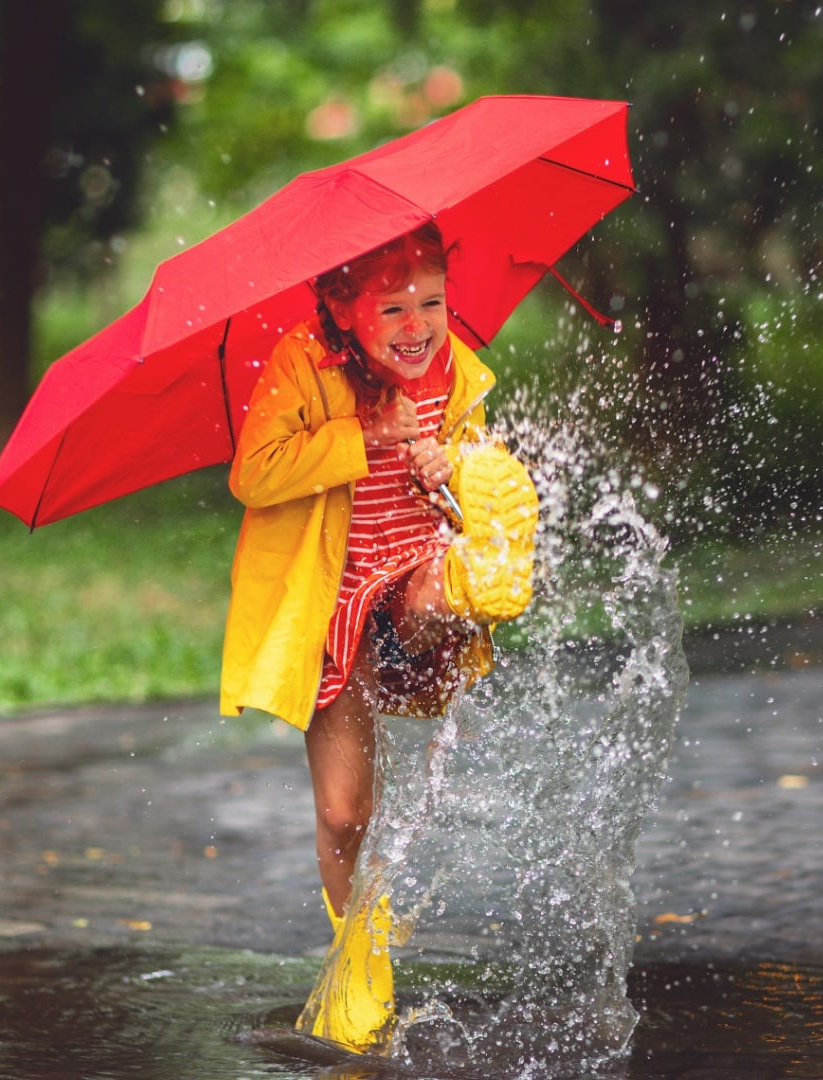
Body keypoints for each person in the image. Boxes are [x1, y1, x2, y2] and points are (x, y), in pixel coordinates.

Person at [218, 221, 538, 1050]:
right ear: (341, 306)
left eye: (431, 302)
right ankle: (358, 938)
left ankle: (470, 597)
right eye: (391, 307)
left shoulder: (453, 368)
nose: (416, 325)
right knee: (344, 808)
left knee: (438, 588)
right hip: (339, 609)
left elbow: (471, 456)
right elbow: (253, 471)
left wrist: (455, 469)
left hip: (415, 589)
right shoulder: (304, 364)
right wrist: (369, 437)